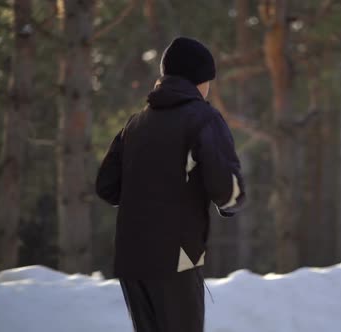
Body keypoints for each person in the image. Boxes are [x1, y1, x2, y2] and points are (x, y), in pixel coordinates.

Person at [95, 36, 246, 332]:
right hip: (175, 258)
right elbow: (227, 190)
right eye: (208, 81)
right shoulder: (203, 119)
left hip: (131, 257)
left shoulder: (135, 124)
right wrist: (231, 204)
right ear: (199, 81)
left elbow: (107, 187)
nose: (209, 89)